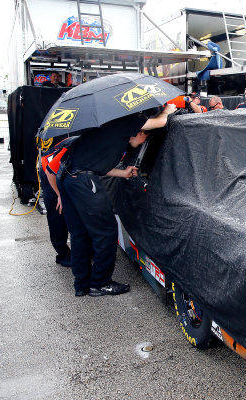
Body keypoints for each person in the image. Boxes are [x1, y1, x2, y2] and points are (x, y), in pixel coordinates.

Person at [53, 104, 177, 297]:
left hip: (68, 176)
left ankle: (82, 284)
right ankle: (100, 283)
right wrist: (169, 109)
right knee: (105, 231)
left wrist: (123, 173)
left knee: (79, 233)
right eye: (146, 136)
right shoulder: (130, 120)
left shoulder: (112, 128)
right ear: (139, 131)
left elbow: (95, 164)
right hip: (82, 182)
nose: (145, 140)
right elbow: (161, 121)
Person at [39, 141, 71, 268]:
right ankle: (63, 254)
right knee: (58, 211)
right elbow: (50, 171)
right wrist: (59, 195)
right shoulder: (74, 147)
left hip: (63, 169)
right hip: (49, 171)